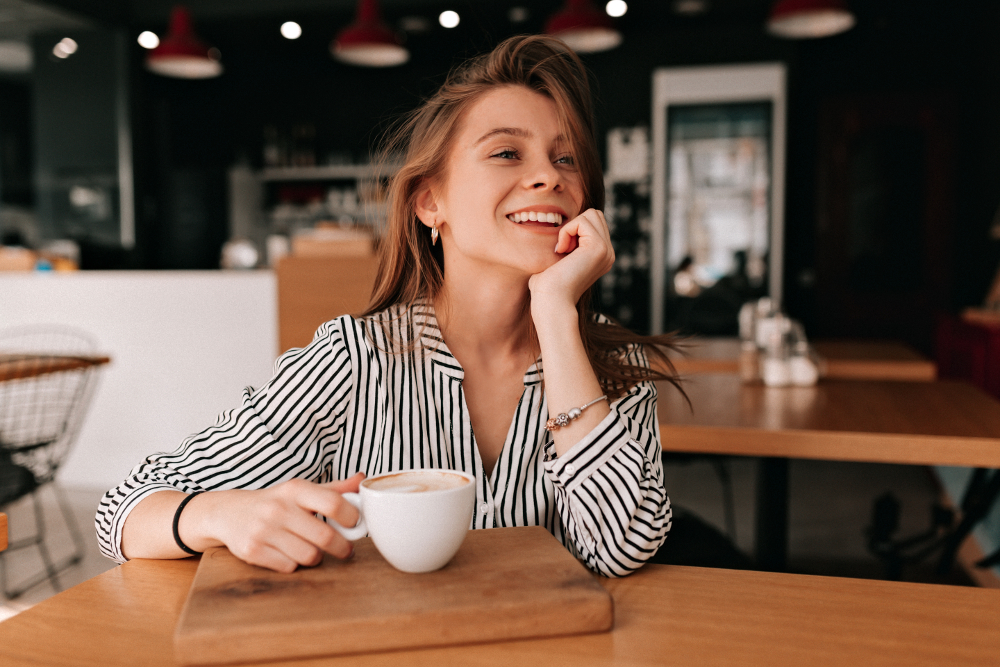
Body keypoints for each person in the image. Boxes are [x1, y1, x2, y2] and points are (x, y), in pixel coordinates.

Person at [96, 35, 683, 578]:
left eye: (566, 159)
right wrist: (222, 515)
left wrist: (557, 315)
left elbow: (619, 547)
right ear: (431, 201)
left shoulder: (613, 362)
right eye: (507, 153)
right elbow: (124, 509)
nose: (547, 178)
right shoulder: (352, 362)